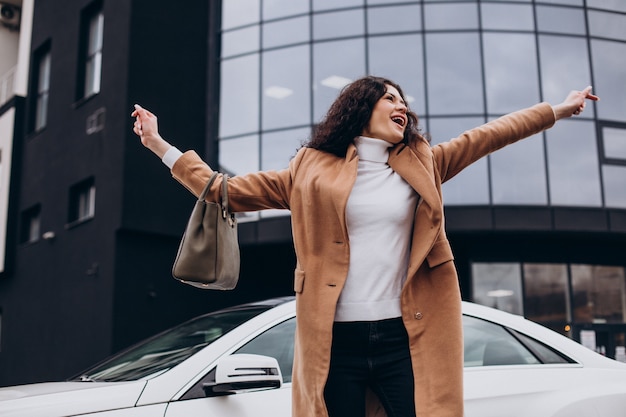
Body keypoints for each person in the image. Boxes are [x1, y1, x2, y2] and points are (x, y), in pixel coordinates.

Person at [132, 76, 598, 417]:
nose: (402, 107)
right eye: (390, 98)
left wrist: (557, 110)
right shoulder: (308, 169)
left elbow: (489, 135)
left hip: (404, 336)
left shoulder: (424, 162)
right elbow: (224, 190)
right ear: (362, 108)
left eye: (404, 102)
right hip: (336, 343)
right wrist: (159, 145)